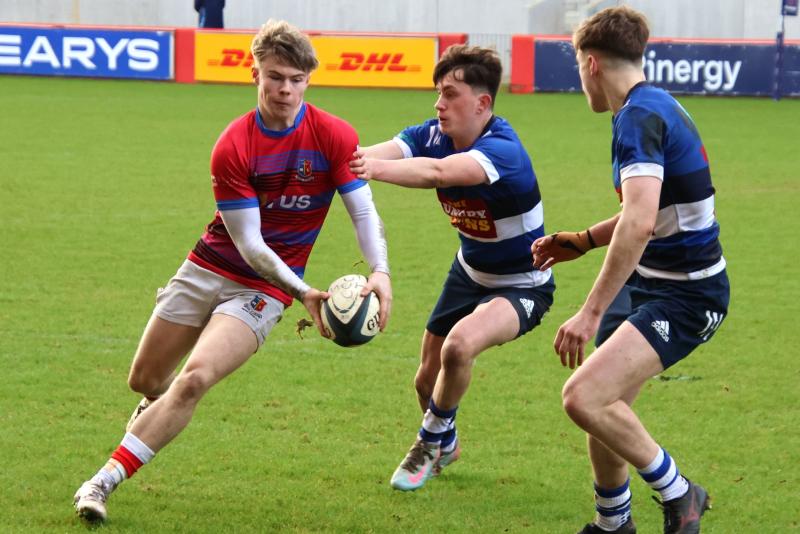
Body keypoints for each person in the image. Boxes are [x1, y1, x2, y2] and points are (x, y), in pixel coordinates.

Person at [73, 19, 392, 523]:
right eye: (275, 77)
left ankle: (100, 482)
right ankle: (155, 408)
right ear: (255, 75)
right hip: (211, 265)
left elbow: (363, 211)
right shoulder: (234, 146)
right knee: (146, 379)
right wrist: (309, 291)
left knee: (194, 379)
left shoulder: (333, 135)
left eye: (295, 79)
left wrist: (382, 272)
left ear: (308, 80)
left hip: (266, 288)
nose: (285, 89)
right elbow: (249, 243)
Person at [531, 6, 729, 534]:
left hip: (688, 296)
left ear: (590, 63)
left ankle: (681, 492)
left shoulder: (638, 118)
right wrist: (583, 240)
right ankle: (613, 524)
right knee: (606, 404)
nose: (580, 81)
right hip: (657, 284)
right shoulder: (651, 106)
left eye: (577, 68)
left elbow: (640, 222)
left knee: (582, 396)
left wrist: (590, 312)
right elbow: (647, 212)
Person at [350, 44, 555, 491]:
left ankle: (426, 444)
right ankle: (449, 440)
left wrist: (371, 170)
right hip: (469, 272)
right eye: (437, 94)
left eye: (449, 94)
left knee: (459, 348)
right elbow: (380, 150)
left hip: (523, 283)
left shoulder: (503, 150)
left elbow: (438, 174)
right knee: (425, 379)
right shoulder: (433, 132)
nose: (438, 105)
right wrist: (338, 157)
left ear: (482, 103)